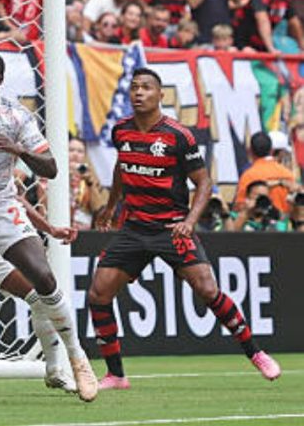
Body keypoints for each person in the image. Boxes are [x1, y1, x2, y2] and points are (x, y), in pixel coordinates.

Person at [89, 68, 281, 390]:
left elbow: (204, 182)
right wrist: (111, 207)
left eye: (146, 88)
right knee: (98, 293)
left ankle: (256, 353)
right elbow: (123, 166)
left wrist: (189, 222)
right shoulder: (121, 130)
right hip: (135, 227)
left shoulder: (179, 135)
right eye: (134, 87)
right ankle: (116, 374)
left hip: (171, 227)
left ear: (160, 95)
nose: (138, 93)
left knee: (207, 289)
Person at [0, 50, 98, 402]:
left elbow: (51, 168)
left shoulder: (14, 117)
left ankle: (77, 358)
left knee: (44, 277)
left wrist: (16, 149)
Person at [232, 131, 296, 216]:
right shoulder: (287, 174)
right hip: (281, 226)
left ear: (250, 151)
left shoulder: (248, 175)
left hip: (257, 226)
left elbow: (239, 207)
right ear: (271, 150)